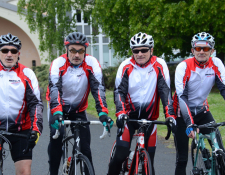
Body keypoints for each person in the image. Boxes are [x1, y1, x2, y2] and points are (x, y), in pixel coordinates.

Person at [107, 32, 176, 175]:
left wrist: (170, 115)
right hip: (129, 118)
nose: (139, 53)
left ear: (151, 50)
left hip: (150, 119)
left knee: (149, 162)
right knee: (120, 154)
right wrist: (120, 113)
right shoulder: (126, 66)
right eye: (135, 51)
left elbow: (165, 91)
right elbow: (119, 91)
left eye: (144, 50)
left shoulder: (159, 65)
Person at [46, 31, 114, 175]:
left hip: (78, 110)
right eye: (72, 50)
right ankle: (52, 172)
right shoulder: (58, 63)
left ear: (85, 51)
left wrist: (103, 113)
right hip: (58, 108)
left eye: (81, 50)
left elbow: (99, 89)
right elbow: (54, 90)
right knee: (57, 139)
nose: (76, 55)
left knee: (85, 149)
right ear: (67, 50)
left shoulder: (92, 63)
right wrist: (57, 112)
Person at [173, 32, 225, 175]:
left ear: (212, 51)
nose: (201, 51)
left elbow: (224, 89)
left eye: (206, 49)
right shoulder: (183, 66)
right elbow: (181, 97)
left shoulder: (216, 64)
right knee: (182, 159)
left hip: (202, 111)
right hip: (181, 113)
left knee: (221, 152)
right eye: (198, 48)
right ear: (192, 50)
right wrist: (189, 122)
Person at [0, 33, 43, 175]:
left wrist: (36, 130)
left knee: (24, 172)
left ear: (18, 53)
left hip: (21, 129)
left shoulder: (27, 74)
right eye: (5, 50)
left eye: (13, 51)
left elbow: (35, 104)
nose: (9, 54)